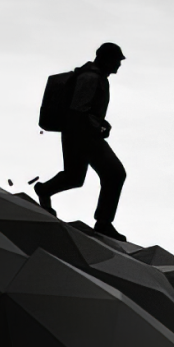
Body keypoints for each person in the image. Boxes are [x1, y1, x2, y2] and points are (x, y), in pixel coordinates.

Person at [35, 43, 128, 242]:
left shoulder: (97, 78)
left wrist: (100, 124)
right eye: (117, 60)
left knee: (74, 177)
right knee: (114, 173)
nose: (119, 65)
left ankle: (45, 190)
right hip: (81, 134)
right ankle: (103, 222)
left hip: (80, 133)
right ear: (107, 59)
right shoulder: (90, 78)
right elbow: (78, 110)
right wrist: (98, 126)